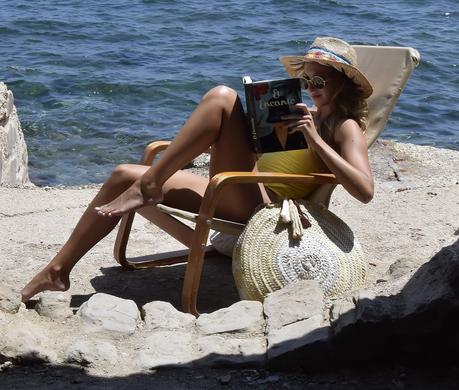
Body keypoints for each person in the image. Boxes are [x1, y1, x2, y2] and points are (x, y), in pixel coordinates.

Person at [21, 36, 374, 302]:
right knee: (123, 175)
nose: (311, 90)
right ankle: (58, 271)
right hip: (247, 187)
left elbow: (364, 190)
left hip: (270, 211)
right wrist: (258, 131)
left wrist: (315, 140)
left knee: (223, 96)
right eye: (306, 81)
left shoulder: (344, 127)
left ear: (342, 84)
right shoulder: (302, 113)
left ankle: (150, 185)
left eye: (319, 82)